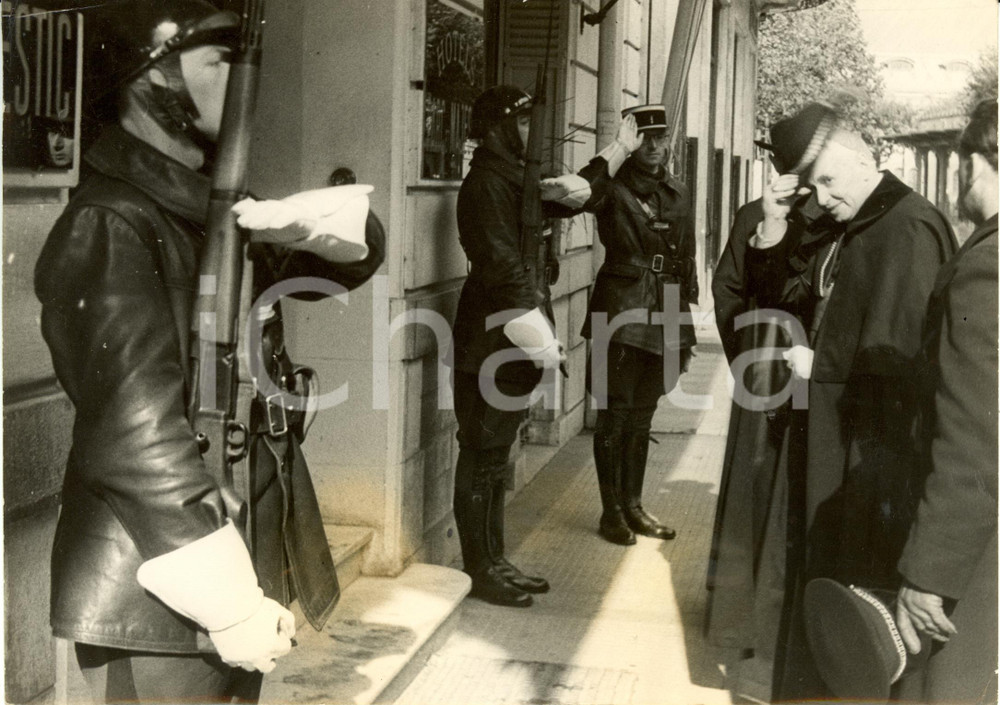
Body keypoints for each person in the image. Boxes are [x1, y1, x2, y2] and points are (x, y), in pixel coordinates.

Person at [33, 2, 385, 702]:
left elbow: (350, 263)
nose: (239, 79)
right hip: (155, 583)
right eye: (216, 61)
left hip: (221, 555)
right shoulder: (111, 221)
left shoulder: (202, 209)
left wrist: (315, 225)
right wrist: (228, 602)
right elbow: (136, 434)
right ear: (149, 77)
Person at [744, 105, 957, 699]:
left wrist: (820, 374)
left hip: (864, 468)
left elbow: (897, 377)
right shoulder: (854, 223)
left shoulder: (909, 229)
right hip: (830, 449)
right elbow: (779, 299)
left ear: (865, 159)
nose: (823, 197)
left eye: (830, 181)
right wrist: (774, 224)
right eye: (814, 186)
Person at [451, 84, 642, 607]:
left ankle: (495, 559)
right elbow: (501, 266)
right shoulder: (488, 184)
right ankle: (480, 568)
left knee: (495, 454)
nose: (532, 130)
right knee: (482, 450)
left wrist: (619, 149)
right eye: (523, 119)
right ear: (497, 128)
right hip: (493, 334)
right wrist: (536, 330)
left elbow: (578, 192)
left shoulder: (512, 178)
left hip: (511, 330)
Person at [705, 102, 840, 702]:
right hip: (766, 380)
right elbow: (730, 290)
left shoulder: (840, 222)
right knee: (754, 496)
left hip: (815, 378)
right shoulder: (756, 218)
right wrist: (750, 355)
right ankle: (741, 628)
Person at [893, 99, 998, 705]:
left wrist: (929, 574)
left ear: (974, 164)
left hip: (977, 555)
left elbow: (975, 437)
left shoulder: (986, 267)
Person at [580, 103, 697, 546]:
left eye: (660, 138)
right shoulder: (611, 186)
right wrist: (614, 151)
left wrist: (687, 323)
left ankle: (633, 505)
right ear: (633, 141)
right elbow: (583, 195)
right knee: (614, 414)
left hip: (667, 304)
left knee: (643, 416)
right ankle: (611, 512)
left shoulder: (679, 191)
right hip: (622, 305)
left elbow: (685, 256)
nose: (653, 147)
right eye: (644, 139)